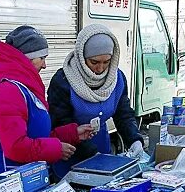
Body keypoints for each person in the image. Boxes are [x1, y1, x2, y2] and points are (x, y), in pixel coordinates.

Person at [0, 26, 93, 184]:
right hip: (7, 183)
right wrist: (56, 149)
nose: (45, 65)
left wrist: (73, 133)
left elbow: (37, 136)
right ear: (27, 57)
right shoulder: (8, 92)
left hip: (28, 179)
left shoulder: (25, 88)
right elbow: (16, 147)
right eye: (42, 58)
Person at [47, 24, 143, 178]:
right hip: (71, 153)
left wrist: (134, 139)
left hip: (101, 148)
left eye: (106, 62)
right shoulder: (64, 81)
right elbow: (60, 122)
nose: (100, 68)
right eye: (94, 62)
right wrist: (91, 154)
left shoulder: (117, 79)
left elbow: (123, 114)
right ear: (82, 57)